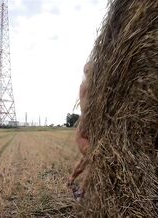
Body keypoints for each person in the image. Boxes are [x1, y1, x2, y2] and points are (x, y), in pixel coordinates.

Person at [67, 62, 91, 200]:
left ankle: (71, 179)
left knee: (86, 159)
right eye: (87, 72)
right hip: (84, 132)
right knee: (95, 158)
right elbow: (86, 108)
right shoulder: (85, 86)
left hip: (93, 131)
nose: (89, 74)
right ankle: (81, 193)